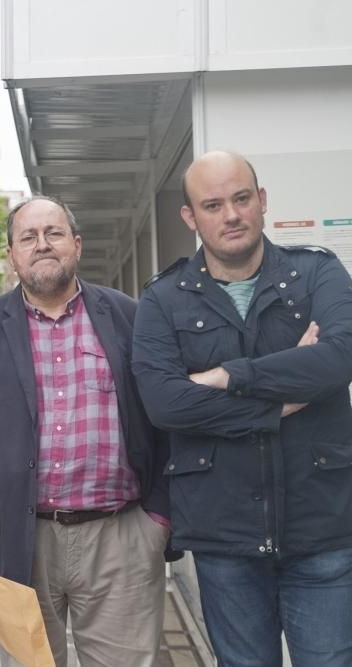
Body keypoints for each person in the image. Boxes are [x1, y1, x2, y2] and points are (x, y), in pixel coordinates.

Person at [132, 151, 352, 666]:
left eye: (241, 198)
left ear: (262, 202)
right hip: (225, 535)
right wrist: (277, 402)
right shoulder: (164, 300)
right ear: (191, 217)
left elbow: (339, 359)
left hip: (321, 527)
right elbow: (166, 404)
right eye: (212, 204)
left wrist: (229, 376)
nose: (230, 214)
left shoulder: (317, 273)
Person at [0, 196, 171, 666]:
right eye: (28, 237)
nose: (42, 245)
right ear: (12, 254)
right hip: (19, 542)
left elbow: (165, 415)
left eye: (54, 233)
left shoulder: (130, 317)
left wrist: (158, 521)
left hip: (120, 537)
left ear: (77, 245)